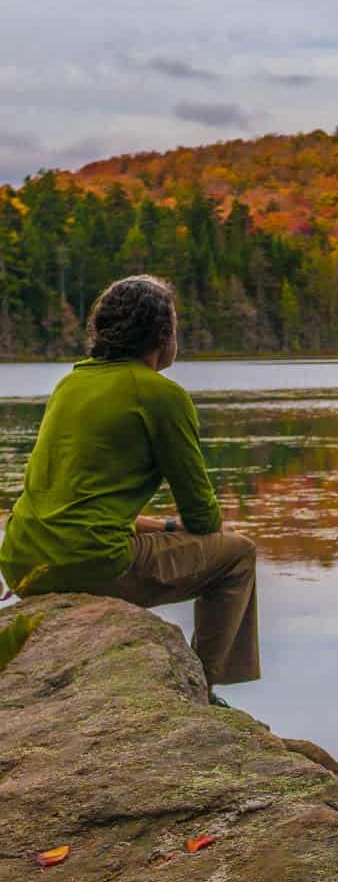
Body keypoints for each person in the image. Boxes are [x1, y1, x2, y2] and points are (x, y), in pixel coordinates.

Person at [0, 275, 258, 703]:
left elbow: (77, 503)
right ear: (162, 334)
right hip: (90, 565)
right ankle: (203, 690)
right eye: (175, 326)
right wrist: (184, 525)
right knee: (238, 555)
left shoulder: (71, 384)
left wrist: (163, 527)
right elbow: (204, 518)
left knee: (173, 540)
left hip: (22, 560)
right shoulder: (161, 395)